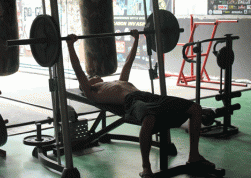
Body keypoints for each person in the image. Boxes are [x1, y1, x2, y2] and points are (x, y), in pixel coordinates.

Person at [66, 30, 216, 178]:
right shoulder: (92, 93)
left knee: (195, 108)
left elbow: (128, 63)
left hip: (147, 96)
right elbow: (78, 70)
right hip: (131, 102)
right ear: (85, 85)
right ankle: (146, 167)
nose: (95, 76)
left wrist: (136, 40)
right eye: (91, 77)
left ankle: (194, 156)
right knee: (149, 119)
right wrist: (70, 46)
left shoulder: (117, 81)